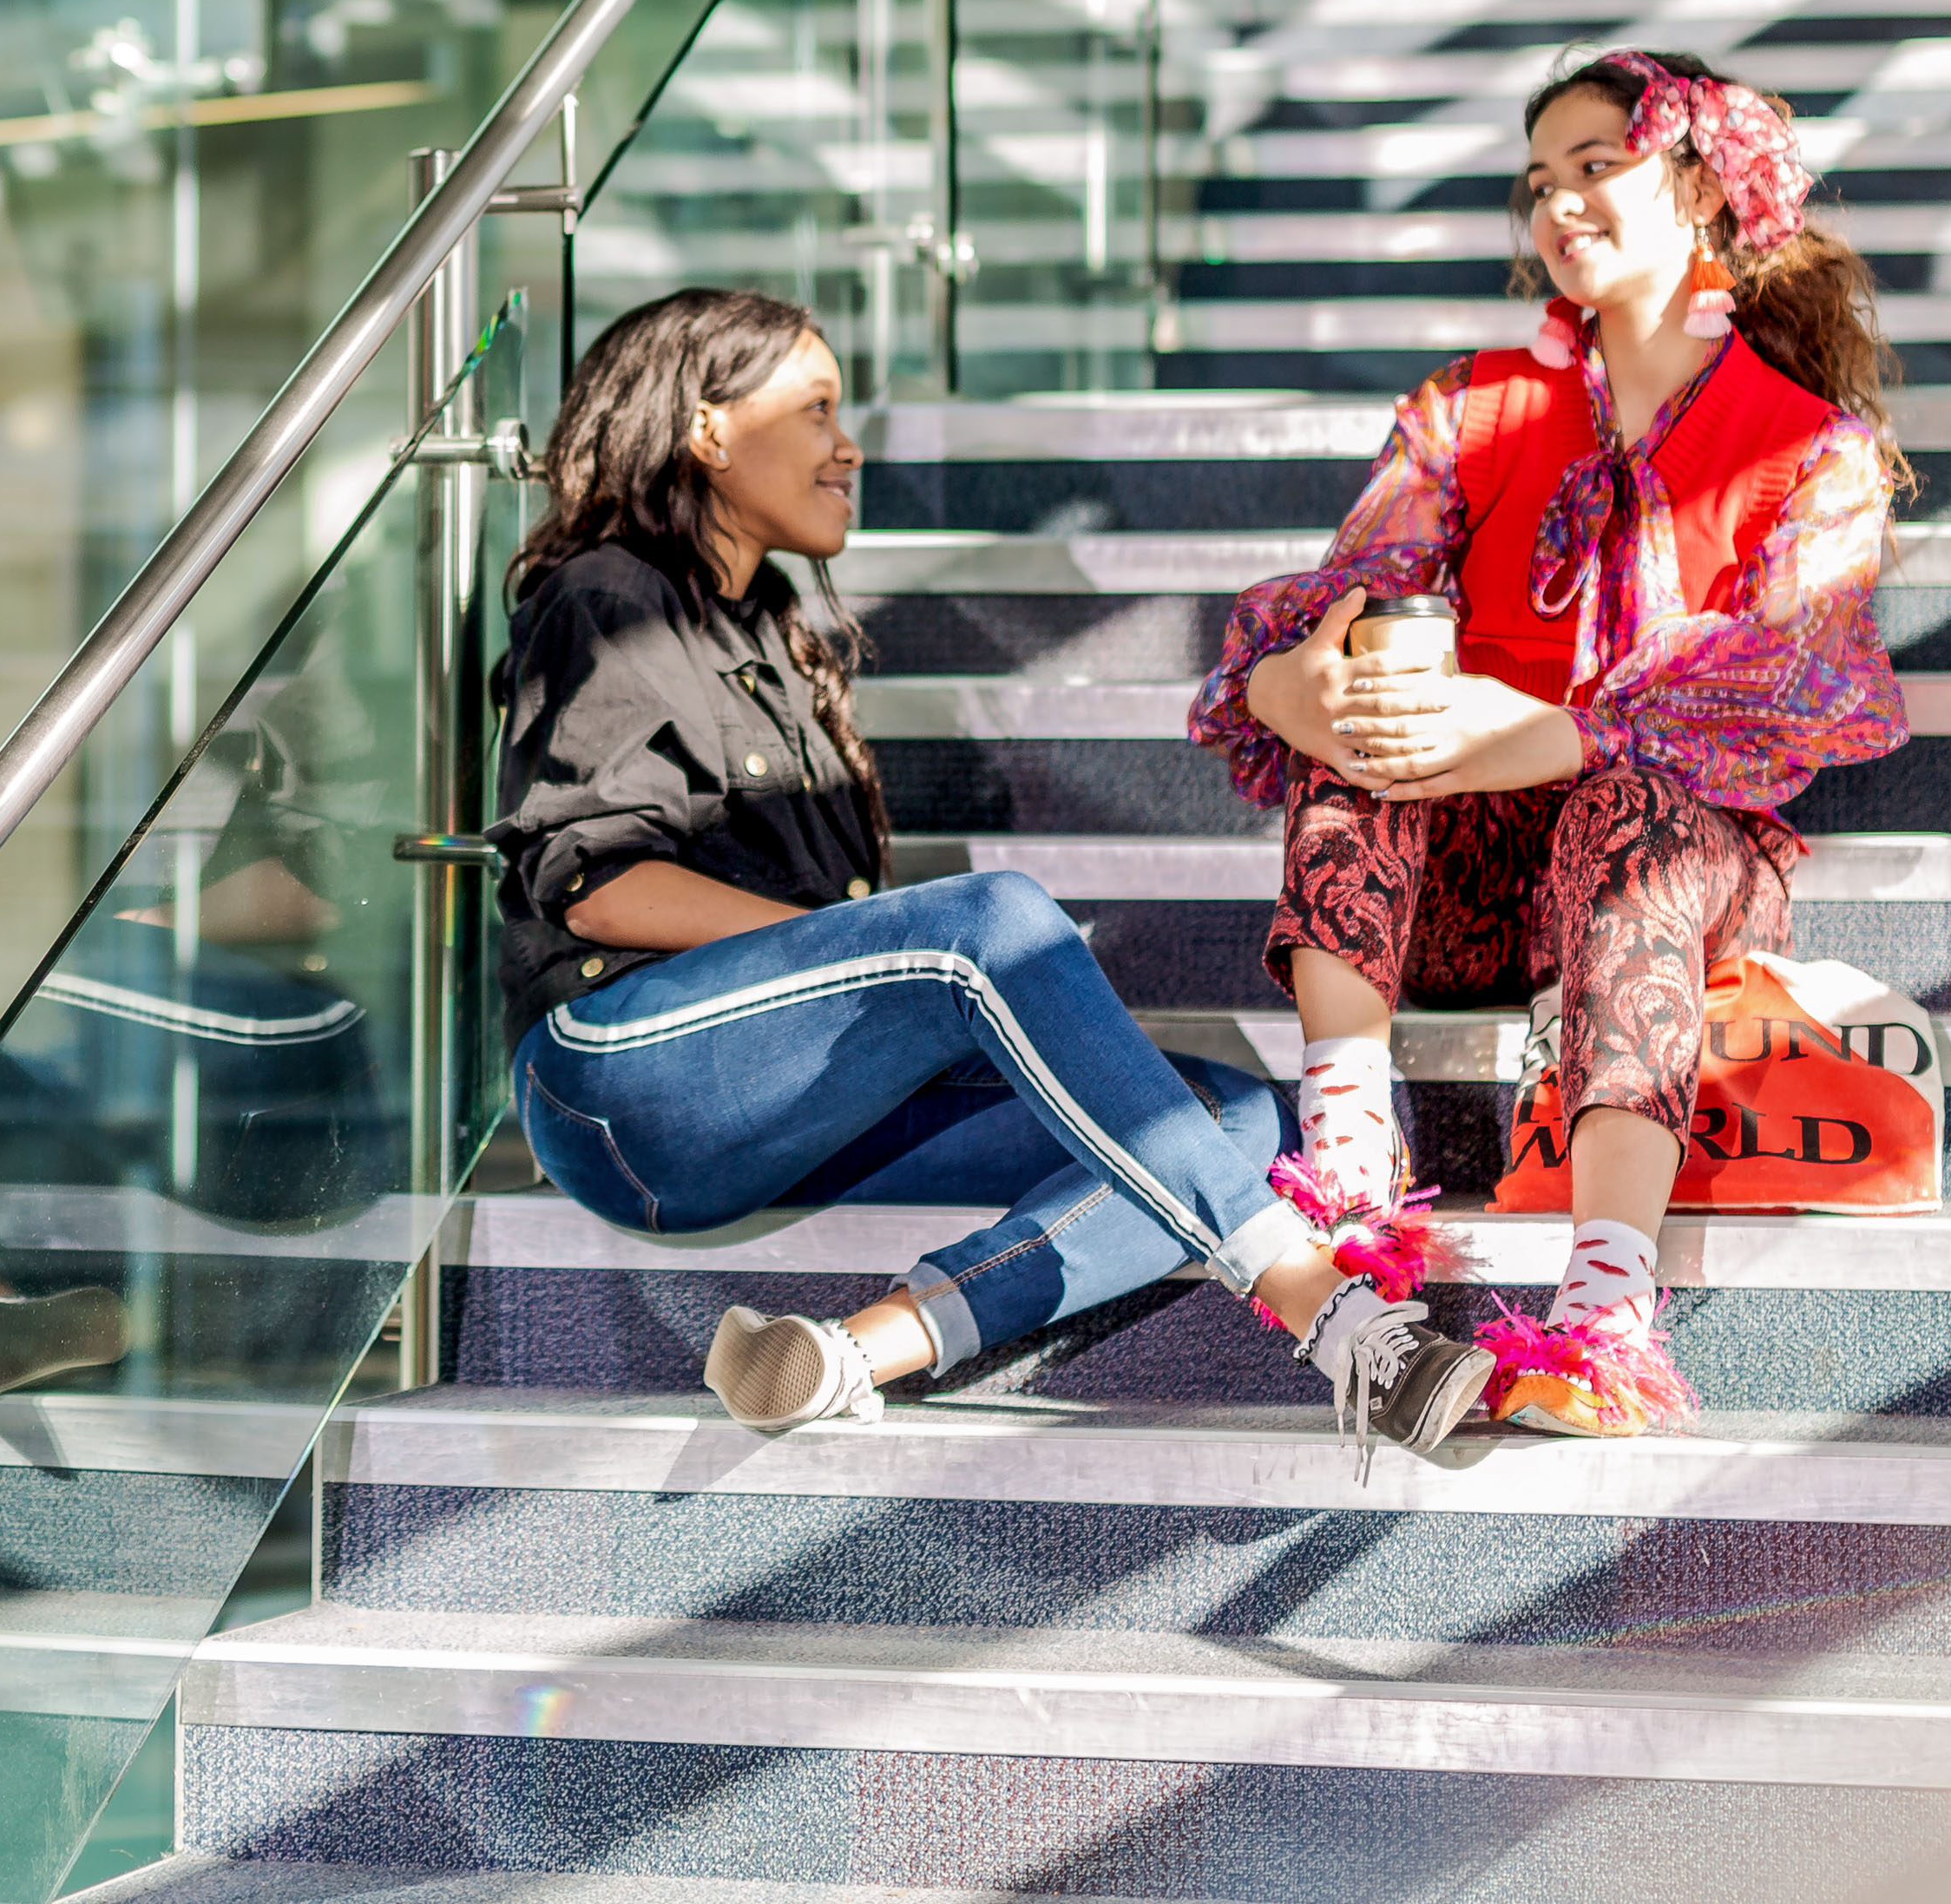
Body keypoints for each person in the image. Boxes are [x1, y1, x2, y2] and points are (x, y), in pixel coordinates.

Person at [496, 287, 1494, 1450]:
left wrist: (875, 972)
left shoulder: (772, 634)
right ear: (708, 431)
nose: (845, 444)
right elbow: (596, 883)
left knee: (1242, 1123)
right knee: (992, 922)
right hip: (618, 1077)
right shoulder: (605, 599)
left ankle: (847, 1353)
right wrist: (876, 960)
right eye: (814, 409)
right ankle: (1331, 1320)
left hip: (780, 1105)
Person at [1193, 51, 1910, 1438]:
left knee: (1622, 820)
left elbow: (1789, 679)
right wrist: (1291, 681)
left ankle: (1603, 1313)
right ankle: (1347, 1171)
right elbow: (1352, 593)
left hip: (1671, 866)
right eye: (1540, 183)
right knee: (1374, 723)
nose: (1559, 206)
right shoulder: (1466, 411)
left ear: (1701, 186)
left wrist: (1552, 735)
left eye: (1597, 167)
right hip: (1462, 878)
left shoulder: (1814, 447)